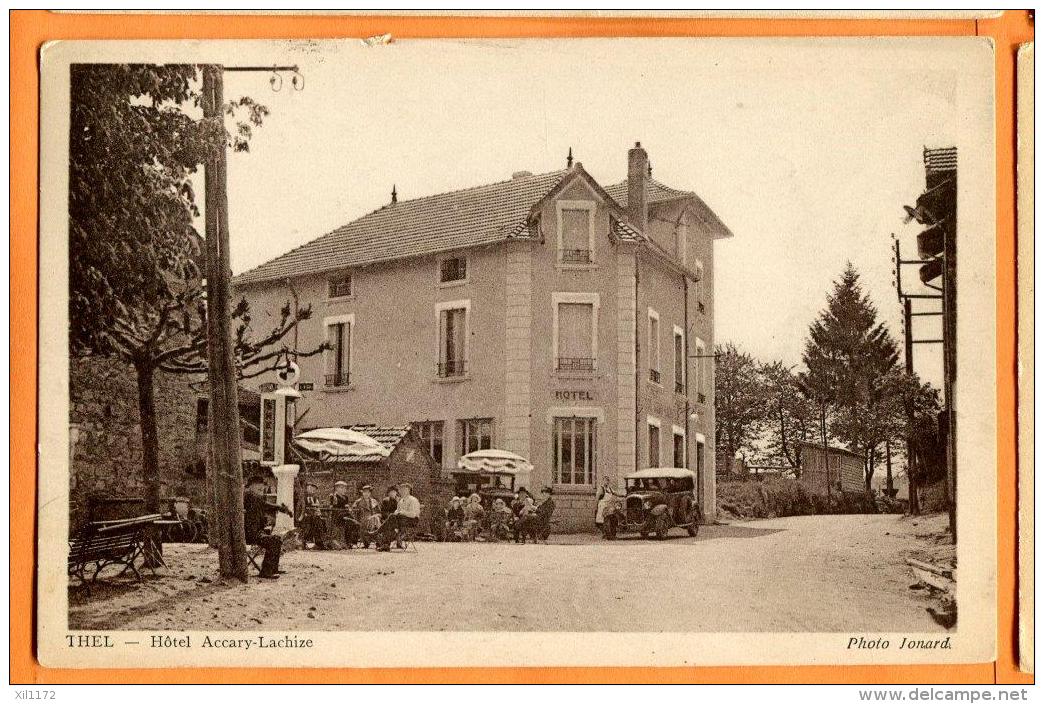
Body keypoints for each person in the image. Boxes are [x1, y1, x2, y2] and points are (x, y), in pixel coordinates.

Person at [243, 475, 292, 578]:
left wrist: (280, 508)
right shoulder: (250, 496)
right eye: (259, 488)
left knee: (277, 539)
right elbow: (265, 505)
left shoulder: (254, 497)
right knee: (274, 540)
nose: (261, 490)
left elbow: (265, 505)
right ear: (250, 487)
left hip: (255, 532)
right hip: (249, 534)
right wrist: (280, 508)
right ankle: (266, 572)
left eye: (262, 488)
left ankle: (273, 568)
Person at [376, 482, 421, 551]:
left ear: (408, 490)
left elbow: (413, 514)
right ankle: (386, 545)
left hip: (412, 521)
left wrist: (401, 512)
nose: (402, 491)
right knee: (390, 523)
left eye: (404, 490)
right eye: (401, 490)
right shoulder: (401, 501)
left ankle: (377, 532)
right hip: (402, 520)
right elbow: (397, 511)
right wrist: (397, 513)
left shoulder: (413, 500)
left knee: (391, 518)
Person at [298, 482, 329, 549]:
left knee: (320, 523)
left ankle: (319, 542)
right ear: (307, 489)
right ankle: (303, 542)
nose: (312, 490)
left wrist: (318, 512)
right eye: (310, 488)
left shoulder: (315, 498)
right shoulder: (303, 497)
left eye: (314, 489)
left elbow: (318, 507)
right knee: (308, 526)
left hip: (314, 515)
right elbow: (301, 508)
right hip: (306, 515)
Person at [329, 481, 359, 547]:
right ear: (337, 488)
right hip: (337, 515)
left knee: (354, 522)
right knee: (349, 521)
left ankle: (350, 542)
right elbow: (332, 506)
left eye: (345, 488)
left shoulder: (345, 497)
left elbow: (346, 506)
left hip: (345, 513)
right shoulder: (333, 496)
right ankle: (344, 542)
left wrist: (349, 508)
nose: (344, 490)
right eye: (342, 488)